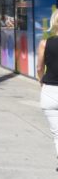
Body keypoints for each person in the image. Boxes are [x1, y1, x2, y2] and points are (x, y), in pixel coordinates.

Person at [37, 9, 58, 171]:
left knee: (57, 133)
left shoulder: (45, 43)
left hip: (50, 91)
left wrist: (40, 81)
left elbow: (39, 67)